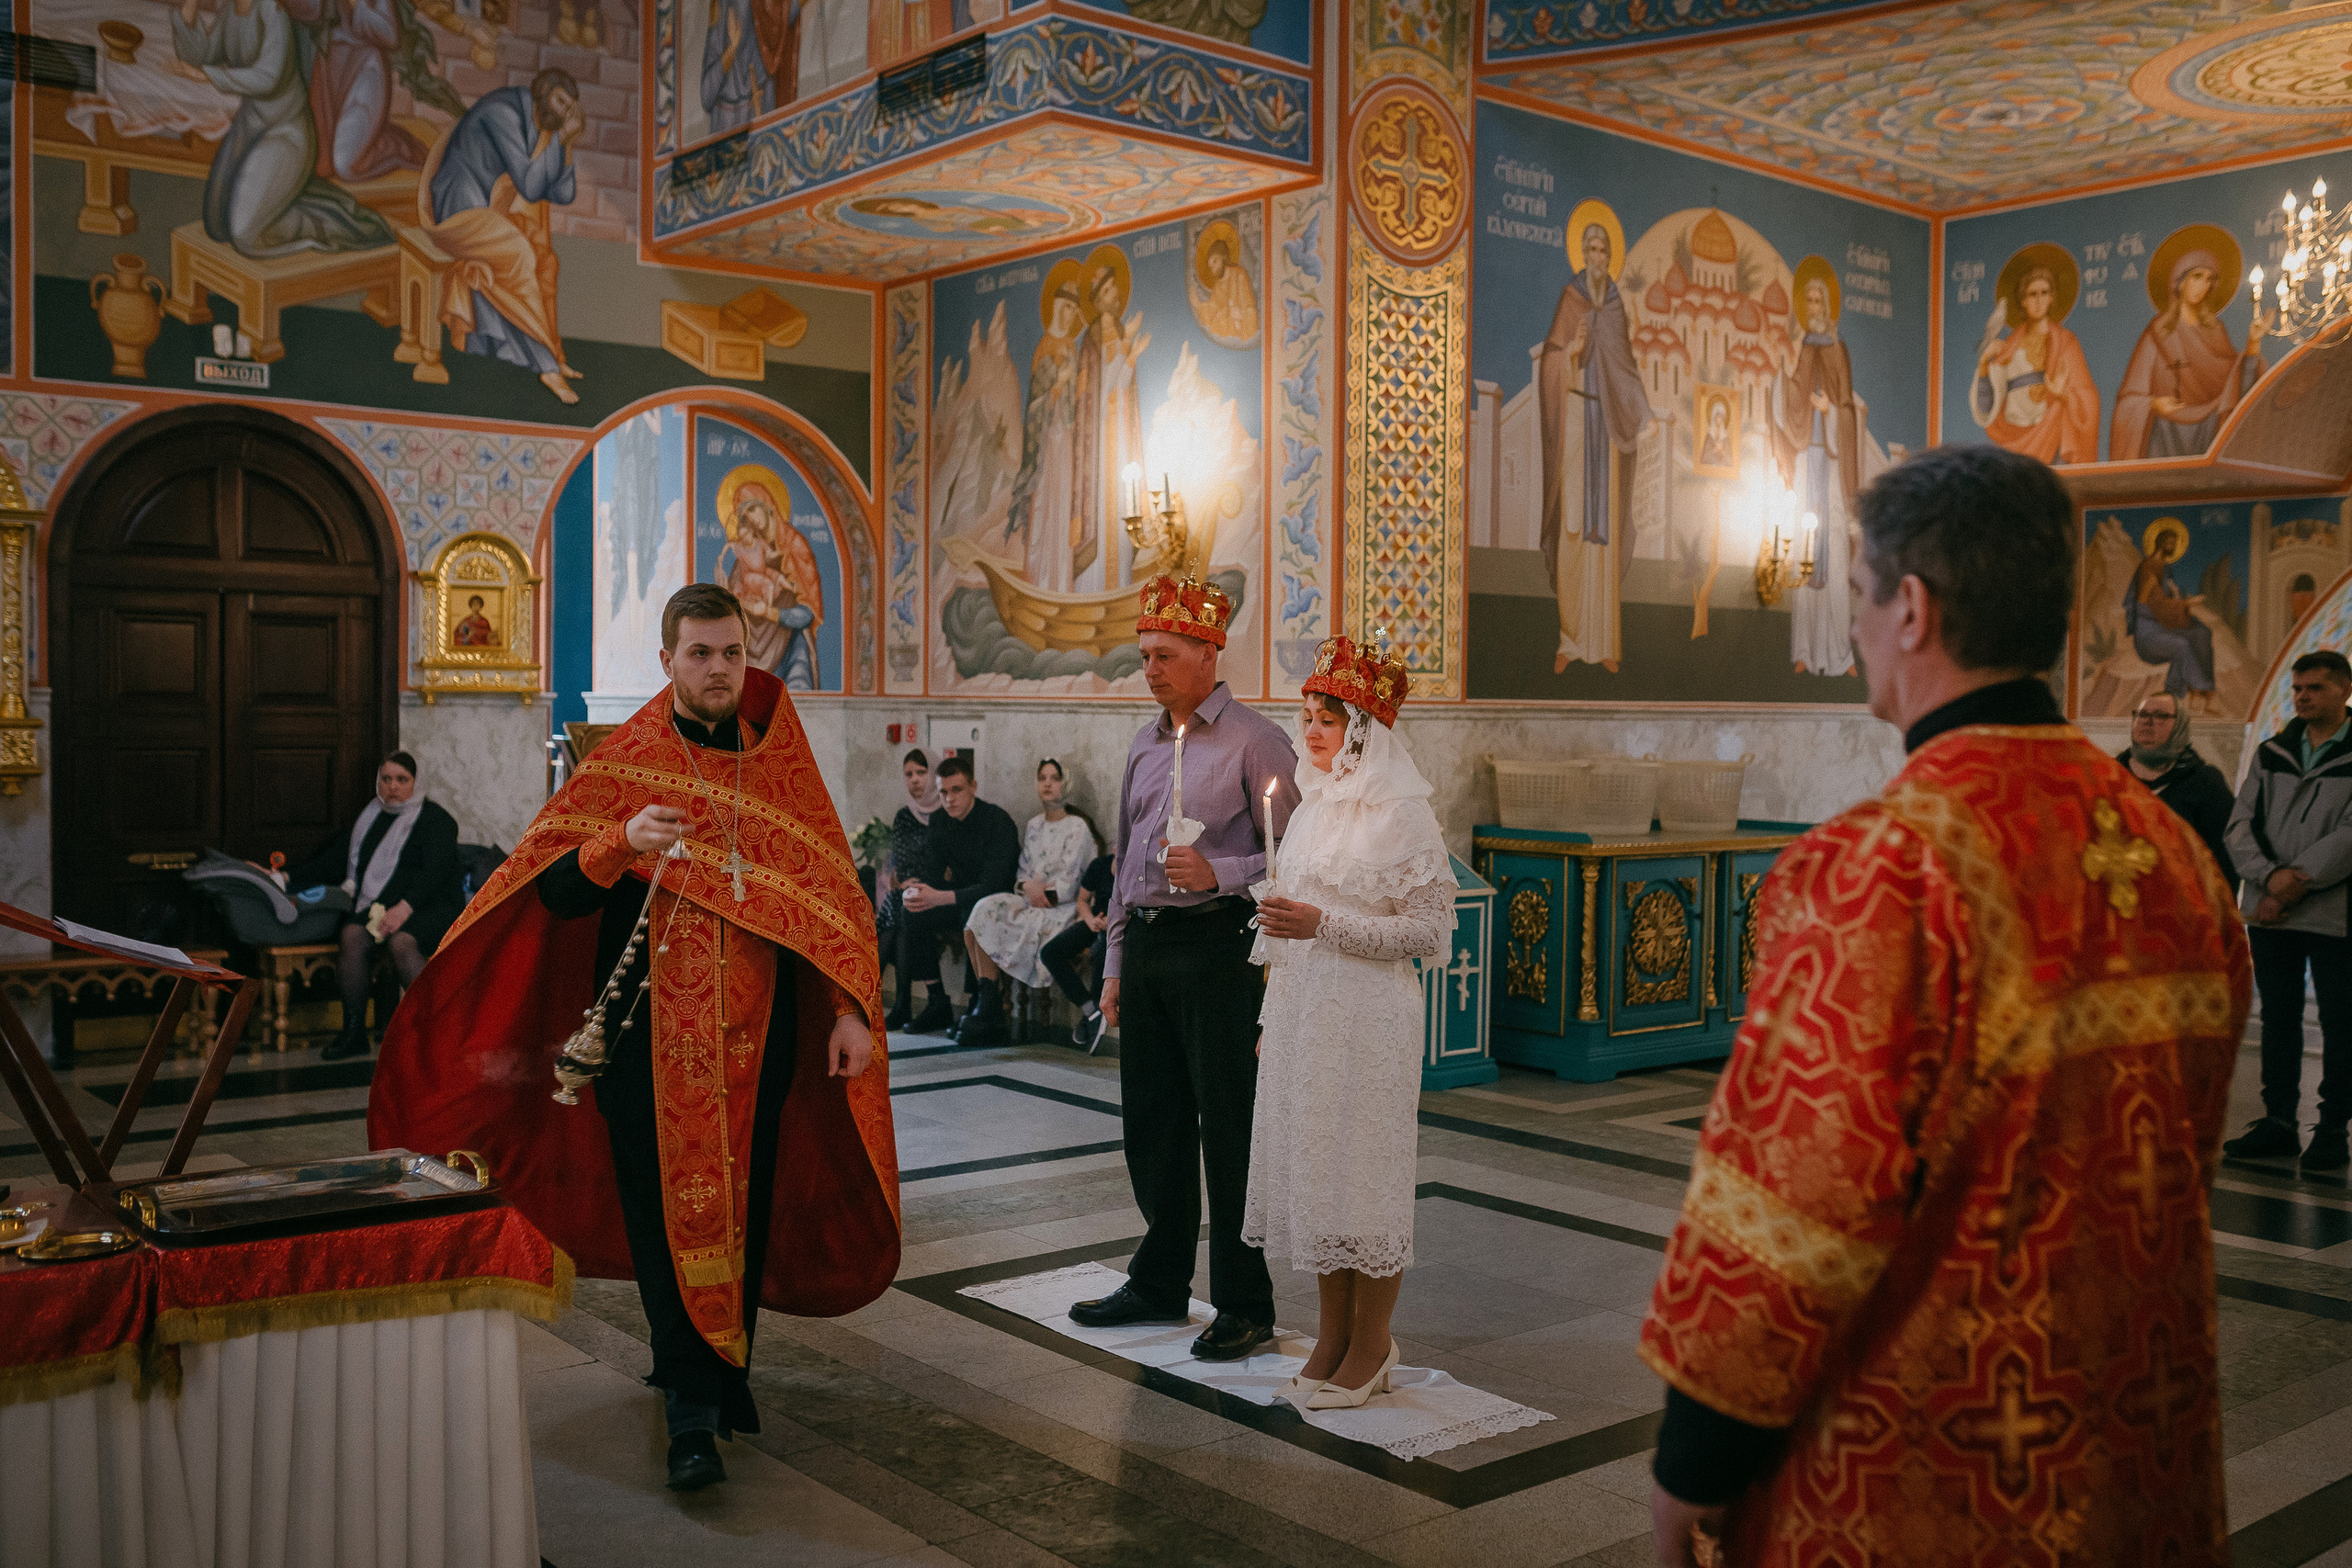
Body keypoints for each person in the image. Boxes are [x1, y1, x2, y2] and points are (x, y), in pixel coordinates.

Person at [1641, 446, 2249, 1567]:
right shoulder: (2176, 856)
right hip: (2134, 1454)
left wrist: (1697, 1459)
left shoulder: (1886, 867)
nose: (1859, 627)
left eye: (1861, 598)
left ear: (1909, 608)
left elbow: (1791, 1211)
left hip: (1928, 1467)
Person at [368, 583, 895, 1495]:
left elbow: (824, 898)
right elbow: (551, 890)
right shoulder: (631, 759)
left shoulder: (779, 760)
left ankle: (726, 1373)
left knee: (748, 1203)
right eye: (700, 654)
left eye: (732, 652)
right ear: (667, 661)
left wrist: (850, 1011)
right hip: (644, 1045)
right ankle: (691, 1405)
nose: (720, 669)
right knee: (666, 1219)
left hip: (763, 1042)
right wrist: (618, 841)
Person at [1067, 576, 1300, 1362]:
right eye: (1145, 656)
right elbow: (1128, 861)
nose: (1152, 668)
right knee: (1155, 1123)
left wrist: (1223, 873)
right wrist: (1115, 963)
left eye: (1166, 654)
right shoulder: (1141, 742)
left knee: (1229, 1127)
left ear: (1209, 652)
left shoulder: (1255, 740)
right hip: (1154, 948)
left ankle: (1245, 1299)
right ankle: (1161, 1279)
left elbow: (1297, 856)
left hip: (1220, 945)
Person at [1245, 637, 1451, 1410]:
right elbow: (1284, 931)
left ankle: (1374, 1342)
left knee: (1365, 1177)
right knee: (1320, 1177)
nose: (1312, 731)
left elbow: (1427, 935)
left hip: (1372, 1019)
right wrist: (1273, 1013)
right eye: (1307, 717)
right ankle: (1331, 1334)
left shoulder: (1404, 816)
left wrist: (1322, 923)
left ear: (1364, 727)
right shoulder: (1312, 812)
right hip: (1307, 1018)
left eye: (1327, 717)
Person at [2222, 649, 2352, 1174]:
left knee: (2341, 1020)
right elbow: (2240, 823)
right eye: (2298, 688)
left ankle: (2332, 1128)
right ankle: (2278, 1121)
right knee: (2276, 1015)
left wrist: (2296, 881)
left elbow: (2348, 835)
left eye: (2314, 688)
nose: (2302, 697)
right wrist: (2269, 877)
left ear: (2344, 690)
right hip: (2271, 908)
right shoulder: (2274, 750)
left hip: (2333, 911)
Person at [272, 750, 464, 1062]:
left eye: (402, 780)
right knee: (351, 934)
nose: (393, 787)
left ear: (417, 782)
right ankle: (353, 1033)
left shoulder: (437, 821)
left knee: (402, 943)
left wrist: (405, 908)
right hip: (380, 907)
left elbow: (435, 872)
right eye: (386, 779)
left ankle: (437, 1032)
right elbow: (334, 859)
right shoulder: (370, 816)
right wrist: (287, 875)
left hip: (430, 907)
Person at [173, 0, 393, 258]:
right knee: (216, 225)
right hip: (249, 129)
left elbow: (269, 77)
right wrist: (188, 14)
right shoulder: (231, 11)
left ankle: (331, 226)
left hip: (286, 134)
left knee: (245, 236)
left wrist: (210, 76)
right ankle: (278, 200)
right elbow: (200, 58)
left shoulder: (272, 11)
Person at [424, 68, 587, 404]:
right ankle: (548, 368)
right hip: (457, 208)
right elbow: (529, 185)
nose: (562, 113)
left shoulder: (538, 122)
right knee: (519, 254)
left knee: (543, 257)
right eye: (559, 101)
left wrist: (566, 142)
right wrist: (559, 138)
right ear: (542, 91)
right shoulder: (503, 112)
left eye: (569, 108)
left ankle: (552, 355)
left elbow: (563, 193)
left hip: (488, 211)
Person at [1539, 217, 1650, 675]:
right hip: (1576, 420)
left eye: (1605, 251)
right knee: (1573, 527)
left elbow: (1624, 369)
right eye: (1593, 250)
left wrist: (1642, 415)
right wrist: (1572, 352)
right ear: (1583, 255)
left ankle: (1603, 641)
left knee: (1602, 533)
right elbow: (1552, 357)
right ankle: (1570, 639)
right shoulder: (1572, 299)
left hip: (1606, 427)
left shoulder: (1619, 307)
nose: (1599, 258)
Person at [957, 759, 1098, 1049]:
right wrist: (1027, 888)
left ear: (1065, 784)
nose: (1047, 784)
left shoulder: (1077, 827)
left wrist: (1043, 893)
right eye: (1042, 778)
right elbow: (1021, 874)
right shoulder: (1034, 825)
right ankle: (988, 999)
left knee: (1009, 922)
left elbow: (1072, 881)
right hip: (1030, 899)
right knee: (982, 912)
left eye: (1055, 778)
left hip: (1060, 908)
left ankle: (987, 1008)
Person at [1772, 265, 1863, 678]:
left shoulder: (1839, 350)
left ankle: (1841, 655)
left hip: (1830, 461)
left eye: (1818, 301)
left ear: (1829, 307)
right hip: (1807, 459)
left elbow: (1848, 409)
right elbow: (1793, 398)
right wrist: (1781, 373)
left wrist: (1831, 413)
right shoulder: (1806, 348)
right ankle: (1805, 651)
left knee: (1836, 560)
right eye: (1807, 301)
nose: (1813, 308)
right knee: (1803, 557)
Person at [890, 755, 1018, 1034]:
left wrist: (940, 896)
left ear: (973, 786)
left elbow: (993, 884)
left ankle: (980, 1002)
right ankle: (937, 1001)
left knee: (974, 910)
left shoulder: (997, 821)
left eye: (957, 790)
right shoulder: (940, 821)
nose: (949, 799)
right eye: (943, 792)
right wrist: (919, 890)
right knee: (912, 908)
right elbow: (934, 873)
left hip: (996, 900)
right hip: (958, 896)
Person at [2111, 246, 2269, 460]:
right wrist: (2153, 403)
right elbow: (2129, 399)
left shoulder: (2215, 331)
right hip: (2164, 433)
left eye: (2208, 280)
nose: (2202, 286)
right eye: (2196, 277)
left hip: (2208, 429)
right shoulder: (2157, 334)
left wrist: (2253, 343)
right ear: (2180, 281)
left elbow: (2236, 385)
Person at [1970, 261, 2100, 464]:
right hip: (2012, 438)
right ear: (2023, 300)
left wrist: (2064, 396)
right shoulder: (2008, 348)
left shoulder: (2066, 343)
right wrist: (1985, 364)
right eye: (2032, 294)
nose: (2038, 300)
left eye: (2044, 293)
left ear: (2051, 298)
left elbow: (2089, 397)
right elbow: (1987, 408)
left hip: (2051, 434)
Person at [2120, 694, 2236, 888]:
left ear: (2180, 726)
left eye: (2160, 716)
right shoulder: (2113, 776)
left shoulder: (2205, 782)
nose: (2147, 722)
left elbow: (2223, 858)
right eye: (2141, 714)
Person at [2127, 519, 2219, 713]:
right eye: (2169, 543)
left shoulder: (2165, 568)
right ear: (2159, 543)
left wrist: (2183, 597)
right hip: (2149, 633)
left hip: (2165, 623)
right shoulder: (2148, 569)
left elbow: (2172, 593)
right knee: (2182, 646)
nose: (2172, 547)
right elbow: (2156, 603)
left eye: (2174, 544)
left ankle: (2206, 691)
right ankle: (2173, 695)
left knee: (2202, 633)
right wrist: (2187, 604)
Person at [876, 747, 943, 976]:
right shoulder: (904, 815)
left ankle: (883, 995)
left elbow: (940, 861)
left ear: (935, 774)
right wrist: (907, 881)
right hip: (910, 888)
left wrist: (921, 881)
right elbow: (903, 859)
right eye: (909, 774)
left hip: (939, 891)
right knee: (902, 902)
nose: (915, 780)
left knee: (900, 904)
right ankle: (900, 1000)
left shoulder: (947, 812)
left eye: (921, 772)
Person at [1041, 852, 1114, 1051]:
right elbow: (1082, 900)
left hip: (1121, 925)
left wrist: (1112, 921)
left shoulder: (1136, 868)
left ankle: (1098, 1009)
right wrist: (1091, 920)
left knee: (1102, 948)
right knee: (1049, 952)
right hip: (1096, 922)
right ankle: (1090, 1009)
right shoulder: (1101, 865)